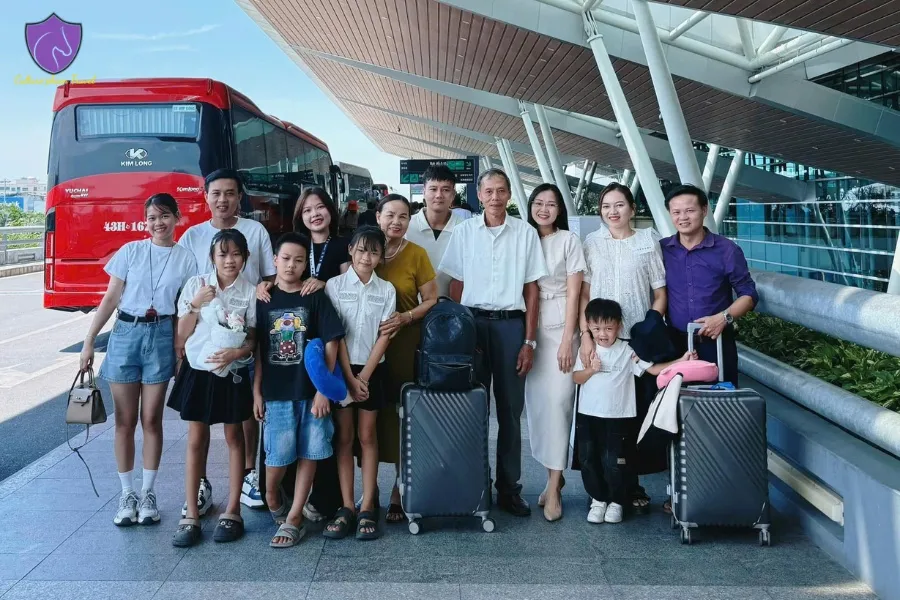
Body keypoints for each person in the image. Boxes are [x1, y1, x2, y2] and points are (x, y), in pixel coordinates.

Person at [80, 193, 197, 527]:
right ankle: (127, 493)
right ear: (145, 222)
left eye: (164, 216)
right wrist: (89, 341)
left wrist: (181, 345)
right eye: (152, 218)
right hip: (125, 334)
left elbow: (187, 307)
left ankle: (148, 493)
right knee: (124, 420)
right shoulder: (130, 251)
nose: (158, 223)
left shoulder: (186, 259)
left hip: (161, 335)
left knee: (151, 419)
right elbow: (110, 298)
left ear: (177, 217)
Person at [439, 168, 548, 517]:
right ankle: (476, 484)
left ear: (509, 194)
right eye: (489, 191)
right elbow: (456, 284)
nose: (495, 197)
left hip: (511, 327)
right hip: (473, 325)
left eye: (501, 191)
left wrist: (529, 341)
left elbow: (532, 290)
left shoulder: (525, 233)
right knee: (473, 408)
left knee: (510, 412)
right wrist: (462, 332)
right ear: (479, 194)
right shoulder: (464, 232)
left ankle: (509, 488)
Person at [177, 168, 275, 515]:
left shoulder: (256, 231)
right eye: (216, 193)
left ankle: (246, 478)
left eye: (230, 193)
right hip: (201, 355)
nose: (223, 199)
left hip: (242, 349)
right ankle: (198, 491)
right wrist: (193, 309)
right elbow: (184, 308)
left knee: (242, 422)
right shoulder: (192, 238)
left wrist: (241, 347)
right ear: (206, 196)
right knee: (198, 432)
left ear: (239, 196)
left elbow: (269, 277)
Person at [257, 187, 350, 525]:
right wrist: (263, 285)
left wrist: (324, 284)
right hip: (280, 380)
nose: (315, 213)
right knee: (283, 446)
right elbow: (259, 344)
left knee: (318, 441)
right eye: (308, 209)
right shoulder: (293, 250)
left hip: (320, 364)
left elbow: (347, 288)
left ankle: (311, 506)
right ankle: (278, 498)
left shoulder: (341, 246)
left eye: (320, 207)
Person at [578, 182, 667, 515]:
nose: (612, 212)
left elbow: (660, 292)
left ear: (632, 208)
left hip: (634, 342)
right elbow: (585, 294)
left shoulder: (648, 240)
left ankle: (631, 486)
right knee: (598, 418)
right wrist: (586, 334)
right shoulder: (592, 243)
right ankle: (601, 489)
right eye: (606, 206)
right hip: (600, 341)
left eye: (619, 205)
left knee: (633, 418)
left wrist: (649, 328)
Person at [169, 229, 257, 547]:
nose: (229, 260)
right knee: (196, 439)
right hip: (198, 370)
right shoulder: (197, 284)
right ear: (212, 257)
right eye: (223, 254)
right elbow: (181, 336)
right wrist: (195, 305)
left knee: (234, 437)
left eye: (236, 254)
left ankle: (233, 510)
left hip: (232, 371)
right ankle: (191, 514)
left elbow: (253, 338)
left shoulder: (249, 292)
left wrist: (236, 353)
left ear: (245, 258)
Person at [573, 298, 694, 525]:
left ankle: (617, 502)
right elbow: (576, 378)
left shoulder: (627, 351)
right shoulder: (587, 351)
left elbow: (653, 370)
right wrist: (591, 370)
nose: (602, 334)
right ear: (588, 326)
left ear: (619, 326)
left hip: (618, 417)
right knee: (589, 459)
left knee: (615, 461)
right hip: (588, 416)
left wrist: (681, 361)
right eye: (597, 329)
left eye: (608, 328)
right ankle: (598, 500)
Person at [323, 226, 397, 541]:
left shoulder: (387, 290)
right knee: (344, 437)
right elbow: (335, 334)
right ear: (351, 250)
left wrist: (364, 377)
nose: (367, 257)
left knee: (368, 436)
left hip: (372, 370)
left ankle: (367, 505)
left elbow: (385, 336)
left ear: (382, 257)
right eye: (362, 250)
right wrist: (349, 379)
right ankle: (346, 506)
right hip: (342, 370)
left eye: (374, 252)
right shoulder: (334, 286)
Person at [370, 193, 439, 524]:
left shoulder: (417, 254)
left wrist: (406, 317)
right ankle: (369, 490)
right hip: (365, 347)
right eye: (390, 215)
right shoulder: (365, 250)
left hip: (404, 346)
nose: (396, 222)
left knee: (402, 418)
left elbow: (431, 299)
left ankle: (399, 490)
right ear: (378, 217)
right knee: (370, 418)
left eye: (403, 217)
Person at [523, 183, 586, 522]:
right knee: (540, 407)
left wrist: (567, 339)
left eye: (550, 204)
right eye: (538, 203)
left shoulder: (568, 240)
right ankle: (552, 478)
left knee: (560, 404)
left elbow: (575, 293)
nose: (544, 209)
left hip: (562, 325)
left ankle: (554, 486)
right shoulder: (524, 237)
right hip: (531, 328)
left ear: (559, 209)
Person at [661, 184, 758, 388]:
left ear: (704, 210)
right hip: (675, 344)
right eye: (676, 212)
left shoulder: (727, 250)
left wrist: (724, 317)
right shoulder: (662, 249)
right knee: (675, 401)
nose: (683, 217)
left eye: (690, 210)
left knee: (719, 401)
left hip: (716, 342)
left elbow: (748, 295)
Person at [404, 165, 463, 297]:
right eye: (433, 189)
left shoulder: (464, 229)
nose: (439, 195)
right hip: (411, 306)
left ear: (453, 194)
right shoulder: (407, 227)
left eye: (445, 190)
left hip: (451, 306)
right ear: (424, 191)